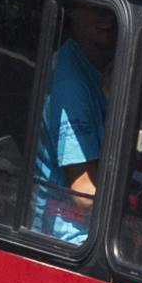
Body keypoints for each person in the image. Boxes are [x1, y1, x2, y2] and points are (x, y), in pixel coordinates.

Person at [33, 21, 110, 242]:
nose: (103, 15)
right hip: (67, 237)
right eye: (93, 4)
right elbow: (84, 192)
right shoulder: (71, 85)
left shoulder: (84, 62)